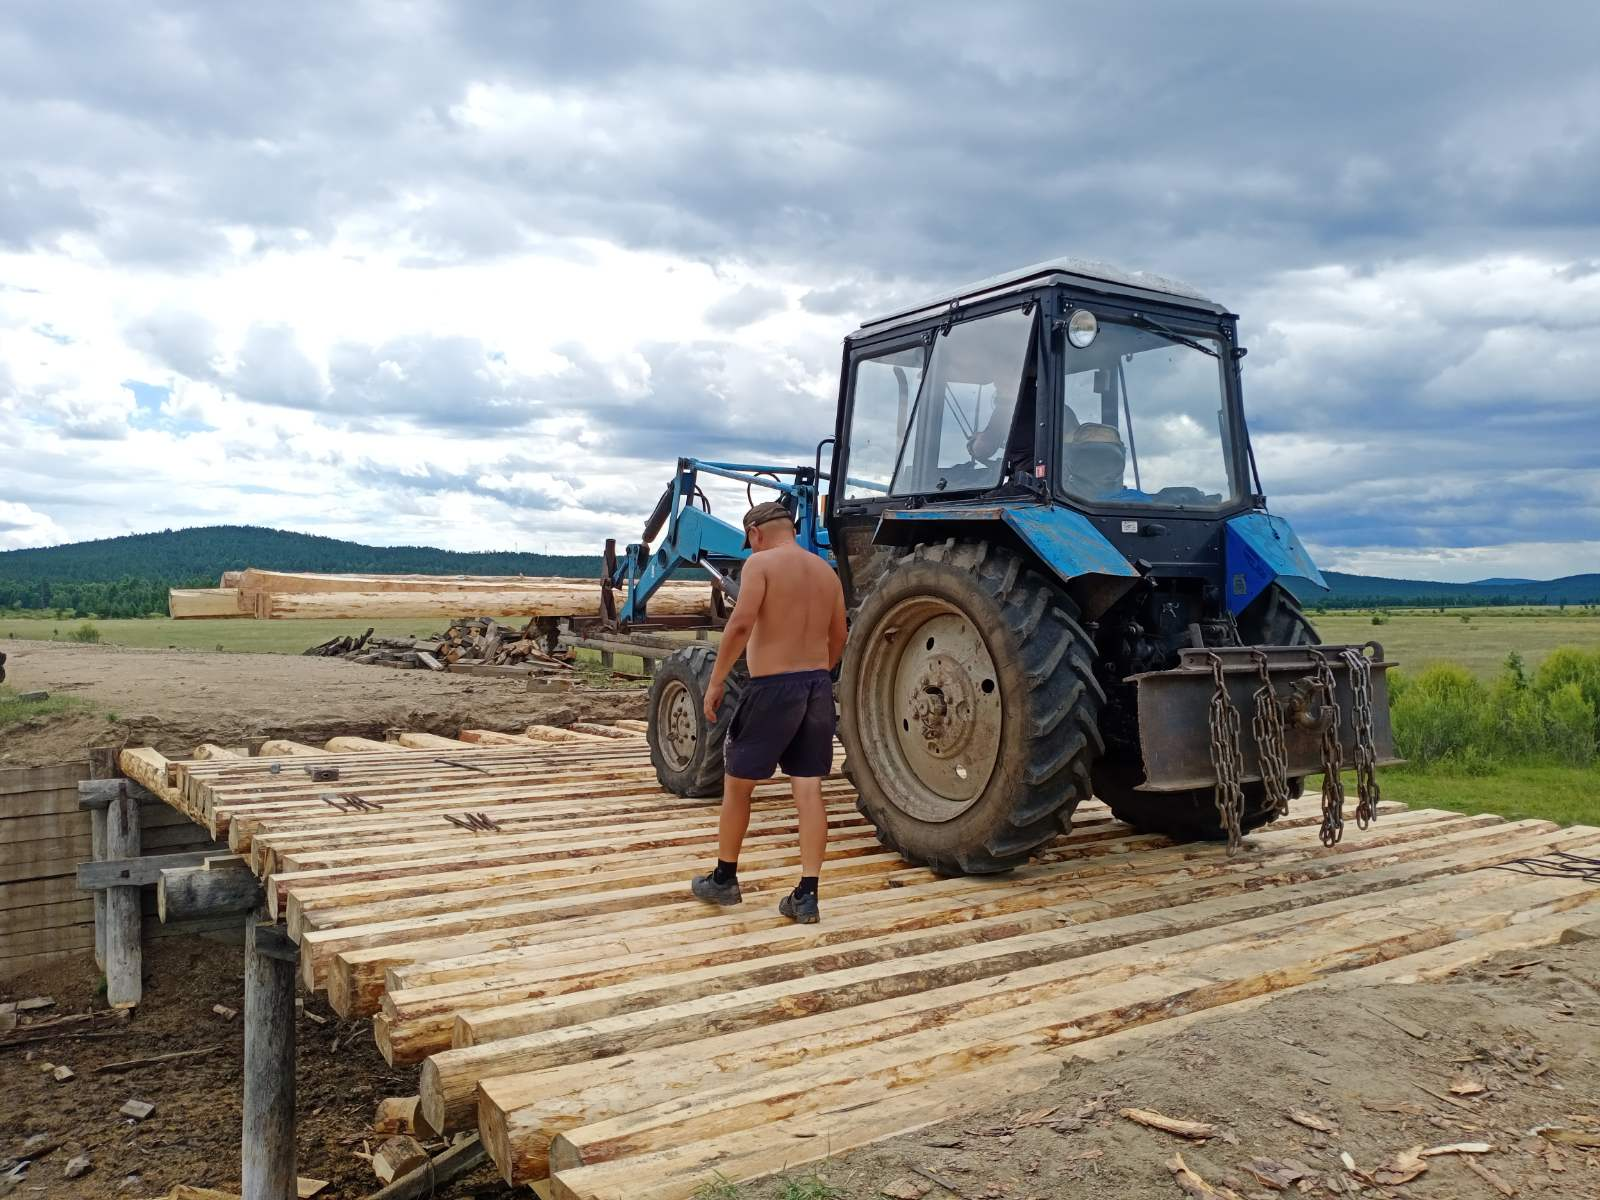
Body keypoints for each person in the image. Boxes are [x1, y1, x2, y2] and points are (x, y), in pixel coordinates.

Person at [689, 501, 847, 924]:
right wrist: (817, 675)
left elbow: (740, 623)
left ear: (755, 532)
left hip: (771, 688)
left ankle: (724, 879)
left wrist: (718, 679)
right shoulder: (826, 572)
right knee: (808, 789)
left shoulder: (760, 566)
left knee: (738, 785)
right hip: (815, 687)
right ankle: (807, 895)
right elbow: (840, 635)